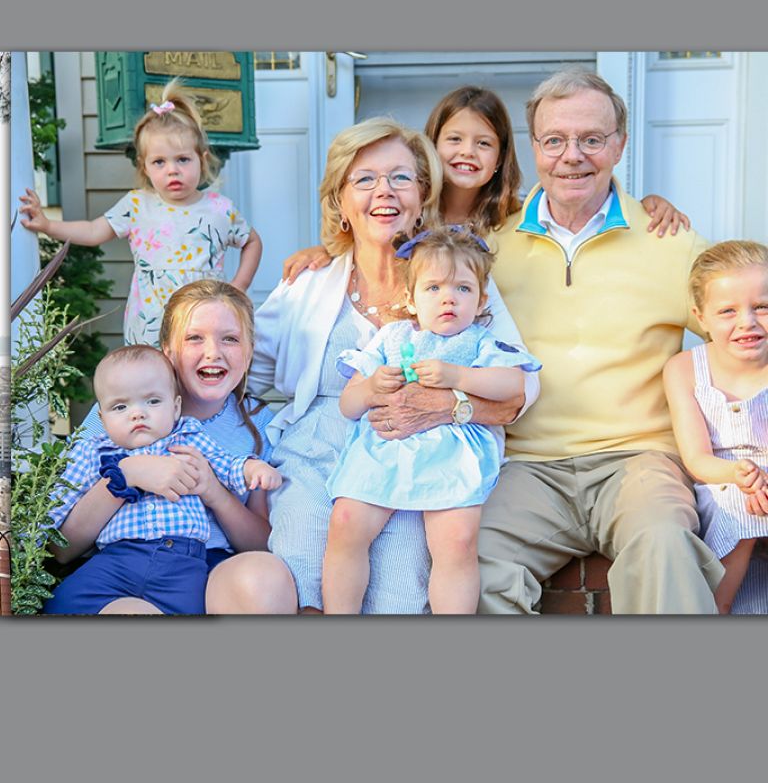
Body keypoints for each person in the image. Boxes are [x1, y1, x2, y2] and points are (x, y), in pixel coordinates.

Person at [243, 118, 539, 614]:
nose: (385, 192)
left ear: (424, 193)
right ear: (340, 201)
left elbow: (520, 391)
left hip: (415, 453)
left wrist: (446, 405)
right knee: (305, 557)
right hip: (315, 452)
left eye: (400, 177)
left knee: (404, 580)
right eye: (364, 180)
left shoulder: (455, 280)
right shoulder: (309, 282)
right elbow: (237, 372)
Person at [477, 67, 723, 614]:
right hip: (526, 466)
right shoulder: (494, 250)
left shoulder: (671, 242)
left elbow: (742, 332)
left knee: (665, 544)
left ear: (620, 145)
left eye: (592, 139)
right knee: (471, 562)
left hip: (638, 460)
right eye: (556, 140)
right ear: (535, 147)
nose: (573, 156)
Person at [322, 226, 540, 614]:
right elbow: (348, 404)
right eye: (433, 288)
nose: (448, 299)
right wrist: (373, 387)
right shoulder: (391, 339)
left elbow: (513, 384)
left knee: (456, 541)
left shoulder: (479, 341)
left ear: (481, 298)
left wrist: (459, 377)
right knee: (346, 520)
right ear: (410, 297)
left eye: (462, 288)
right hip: (388, 448)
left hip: (452, 454)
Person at [46, 280, 286, 614]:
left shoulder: (259, 423)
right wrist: (129, 474)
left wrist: (212, 490)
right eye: (194, 338)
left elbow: (260, 542)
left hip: (208, 572)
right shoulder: (121, 412)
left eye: (230, 338)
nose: (213, 352)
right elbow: (63, 548)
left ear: (248, 351)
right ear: (168, 351)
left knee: (265, 575)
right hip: (119, 567)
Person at [282, 85, 690, 281]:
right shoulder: (408, 212)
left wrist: (650, 202)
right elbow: (366, 241)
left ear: (500, 158)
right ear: (431, 147)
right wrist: (324, 250)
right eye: (454, 140)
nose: (467, 153)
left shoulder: (517, 216)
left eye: (484, 143)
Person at [18, 79, 263, 346]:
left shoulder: (219, 208)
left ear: (201, 160)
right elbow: (93, 231)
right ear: (144, 167)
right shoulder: (136, 206)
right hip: (150, 324)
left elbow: (251, 241)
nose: (172, 170)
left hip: (206, 323)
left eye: (182, 159)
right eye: (159, 162)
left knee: (201, 379)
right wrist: (47, 225)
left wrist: (239, 286)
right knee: (151, 384)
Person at [663, 240, 768, 613]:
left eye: (762, 307)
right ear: (700, 316)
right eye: (727, 311)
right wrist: (740, 475)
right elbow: (696, 457)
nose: (747, 322)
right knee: (742, 503)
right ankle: (715, 611)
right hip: (722, 484)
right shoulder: (685, 369)